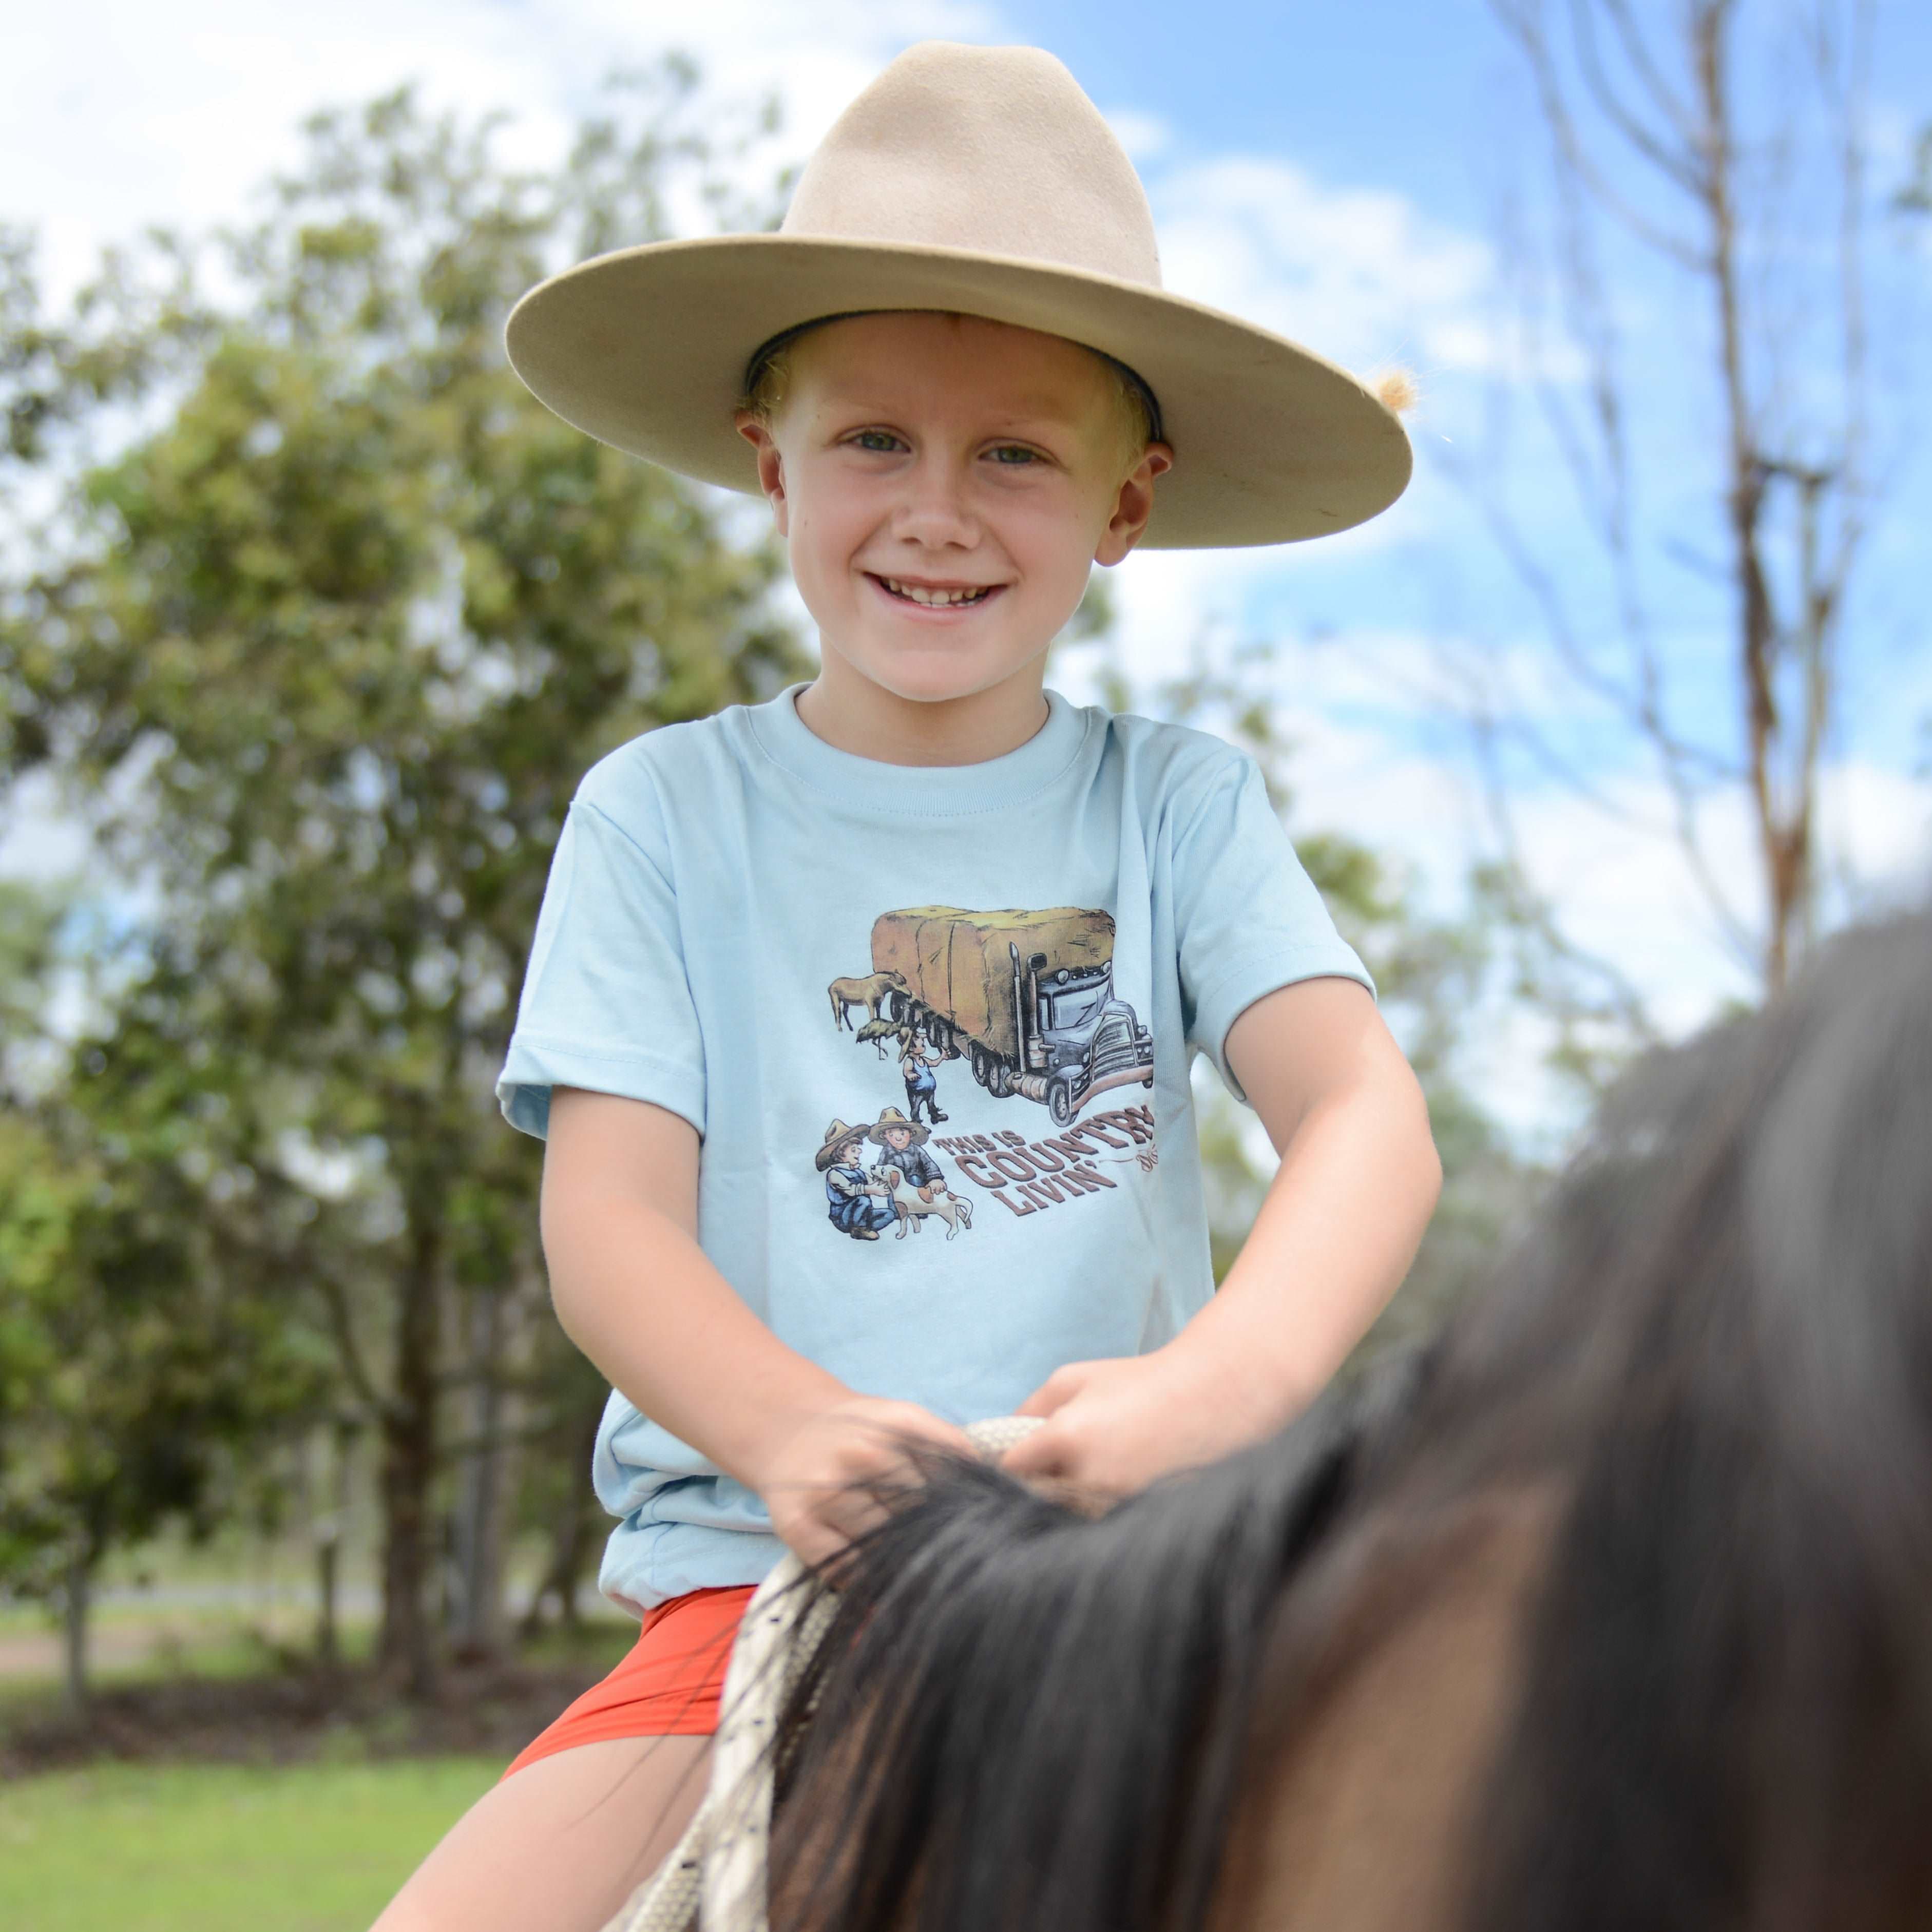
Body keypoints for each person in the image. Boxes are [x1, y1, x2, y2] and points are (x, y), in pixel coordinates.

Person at [374, 40, 1440, 1932]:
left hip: (1125, 1571)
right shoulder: (663, 815)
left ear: (1123, 506)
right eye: (875, 439)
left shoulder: (1175, 806)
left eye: (1014, 452)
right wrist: (796, 1439)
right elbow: (607, 1224)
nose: (936, 510)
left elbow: (1360, 1117)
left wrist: (1215, 1389)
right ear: (769, 466)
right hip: (757, 1587)